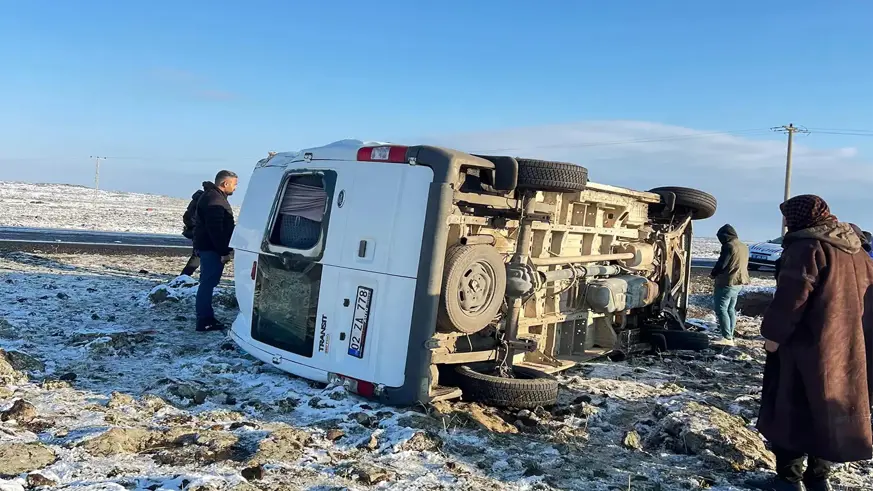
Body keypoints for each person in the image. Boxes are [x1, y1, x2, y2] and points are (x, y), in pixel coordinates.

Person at [748, 195, 873, 491]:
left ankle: (788, 480)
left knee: (790, 407)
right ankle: (819, 478)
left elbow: (792, 298)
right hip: (848, 346)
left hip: (805, 347)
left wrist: (774, 336)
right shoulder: (857, 250)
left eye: (788, 218)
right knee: (826, 409)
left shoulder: (807, 247)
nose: (787, 224)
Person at [193, 170, 238, 332]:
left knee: (207, 283)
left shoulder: (214, 197)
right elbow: (215, 230)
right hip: (211, 249)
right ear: (225, 183)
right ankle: (205, 320)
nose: (235, 188)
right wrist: (224, 251)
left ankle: (205, 318)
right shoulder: (214, 199)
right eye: (234, 184)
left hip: (208, 248)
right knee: (207, 284)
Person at [709, 224, 750, 345]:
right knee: (731, 309)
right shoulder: (743, 246)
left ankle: (726, 337)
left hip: (727, 282)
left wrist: (713, 274)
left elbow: (722, 264)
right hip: (739, 282)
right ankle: (730, 335)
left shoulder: (729, 246)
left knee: (721, 309)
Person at [180, 189, 204, 277]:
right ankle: (184, 275)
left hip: (195, 230)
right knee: (197, 256)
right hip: (198, 231)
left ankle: (184, 275)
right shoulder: (201, 200)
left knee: (197, 256)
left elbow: (187, 216)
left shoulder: (195, 200)